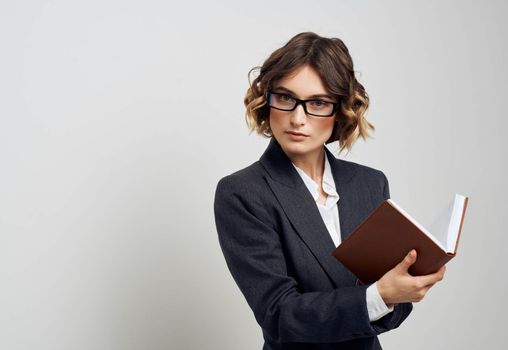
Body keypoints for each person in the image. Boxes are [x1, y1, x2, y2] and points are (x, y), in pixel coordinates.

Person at [213, 32, 446, 350]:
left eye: (318, 103)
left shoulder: (369, 183)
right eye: (284, 97)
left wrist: (402, 286)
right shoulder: (242, 193)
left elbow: (394, 306)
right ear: (266, 99)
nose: (298, 118)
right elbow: (280, 316)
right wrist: (380, 295)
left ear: (341, 109)